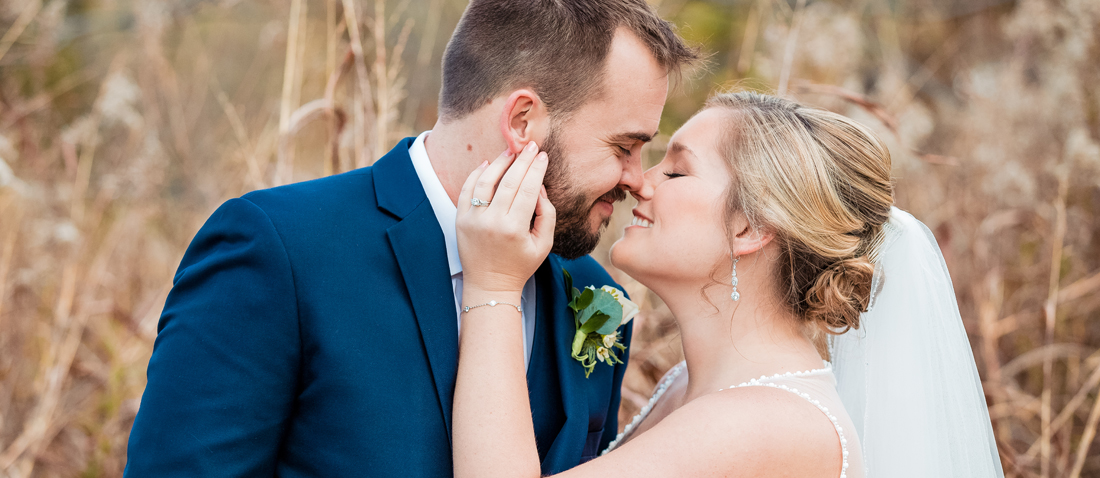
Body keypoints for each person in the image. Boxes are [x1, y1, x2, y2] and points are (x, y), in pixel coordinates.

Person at [124, 1, 697, 476]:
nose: (636, 179)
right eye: (624, 147)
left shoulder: (594, 294)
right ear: (522, 123)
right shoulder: (281, 250)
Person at [452, 91, 1005, 477]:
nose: (637, 183)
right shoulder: (690, 385)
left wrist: (493, 285)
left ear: (749, 226)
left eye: (675, 171)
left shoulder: (766, 422)